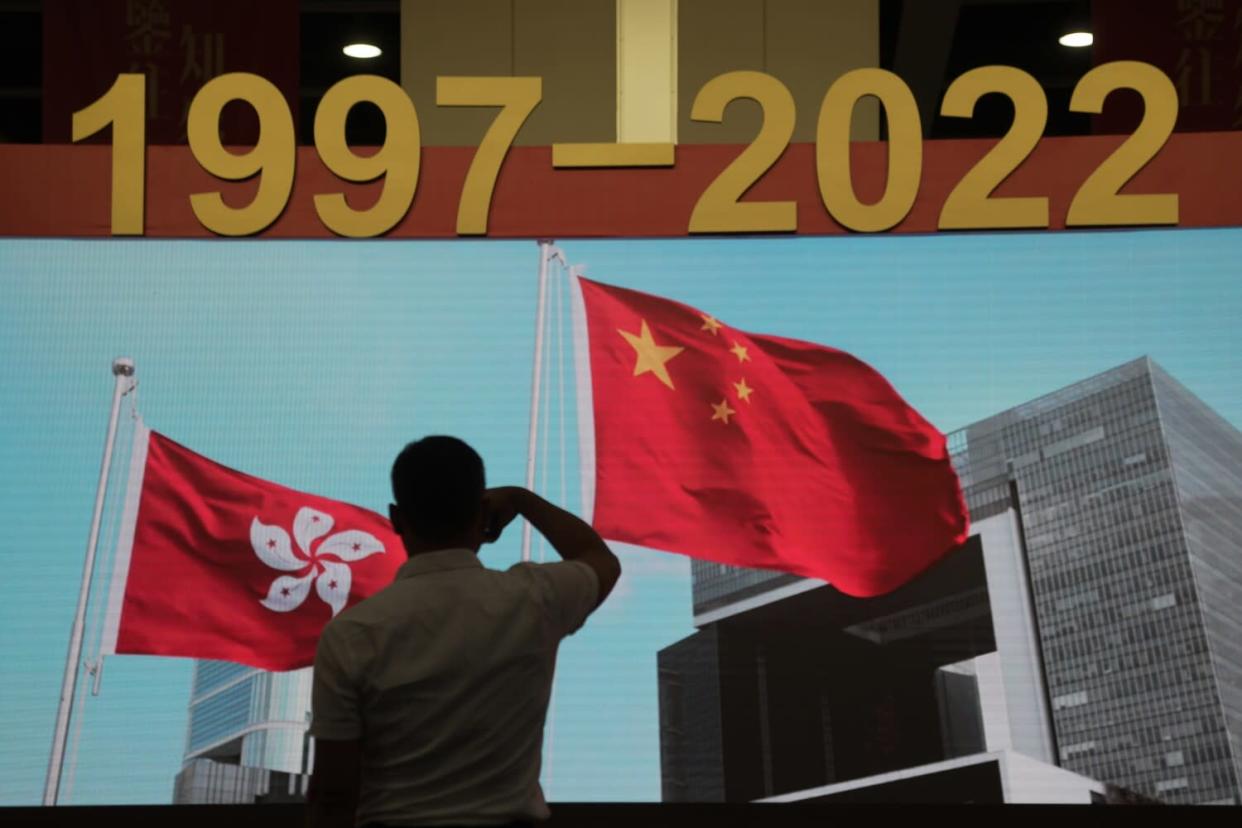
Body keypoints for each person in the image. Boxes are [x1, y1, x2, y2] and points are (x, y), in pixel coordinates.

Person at [306, 435, 621, 828]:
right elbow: (600, 560)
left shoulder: (350, 635)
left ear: (397, 519)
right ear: (483, 512)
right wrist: (523, 501)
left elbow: (334, 794)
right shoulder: (534, 599)